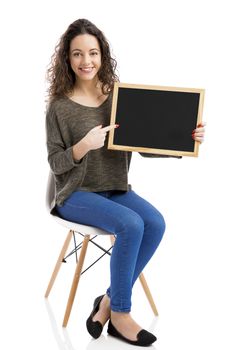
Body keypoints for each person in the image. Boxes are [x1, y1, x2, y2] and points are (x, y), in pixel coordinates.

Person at [45, 18, 205, 346]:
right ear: (67, 59)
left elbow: (143, 145)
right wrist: (82, 147)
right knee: (131, 225)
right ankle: (120, 314)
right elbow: (55, 163)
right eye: (77, 54)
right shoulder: (59, 107)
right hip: (75, 193)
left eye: (93, 53)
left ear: (103, 56)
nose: (85, 61)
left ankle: (105, 301)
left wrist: (183, 141)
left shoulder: (117, 97)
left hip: (115, 189)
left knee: (155, 223)